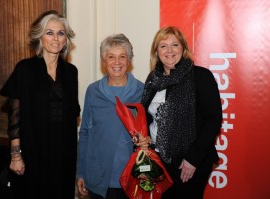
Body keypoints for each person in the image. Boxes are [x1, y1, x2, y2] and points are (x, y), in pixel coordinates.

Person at [0, 10, 80, 199]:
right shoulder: (25, 69)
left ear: (66, 39)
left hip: (64, 152)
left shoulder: (70, 72)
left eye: (61, 33)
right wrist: (16, 155)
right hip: (33, 151)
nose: (56, 38)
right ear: (39, 37)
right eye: (49, 32)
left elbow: (73, 112)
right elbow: (15, 118)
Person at [141, 26, 223, 199]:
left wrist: (193, 159)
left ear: (183, 49)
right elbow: (148, 117)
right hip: (158, 158)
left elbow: (213, 120)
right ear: (156, 51)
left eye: (174, 45)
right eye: (163, 46)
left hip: (190, 160)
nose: (169, 50)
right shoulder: (152, 79)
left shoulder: (200, 76)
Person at [76, 33, 148, 199]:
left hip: (133, 176)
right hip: (98, 177)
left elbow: (150, 131)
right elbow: (85, 132)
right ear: (104, 62)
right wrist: (80, 172)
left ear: (129, 61)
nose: (117, 62)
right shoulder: (93, 91)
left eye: (122, 56)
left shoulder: (141, 90)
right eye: (111, 57)